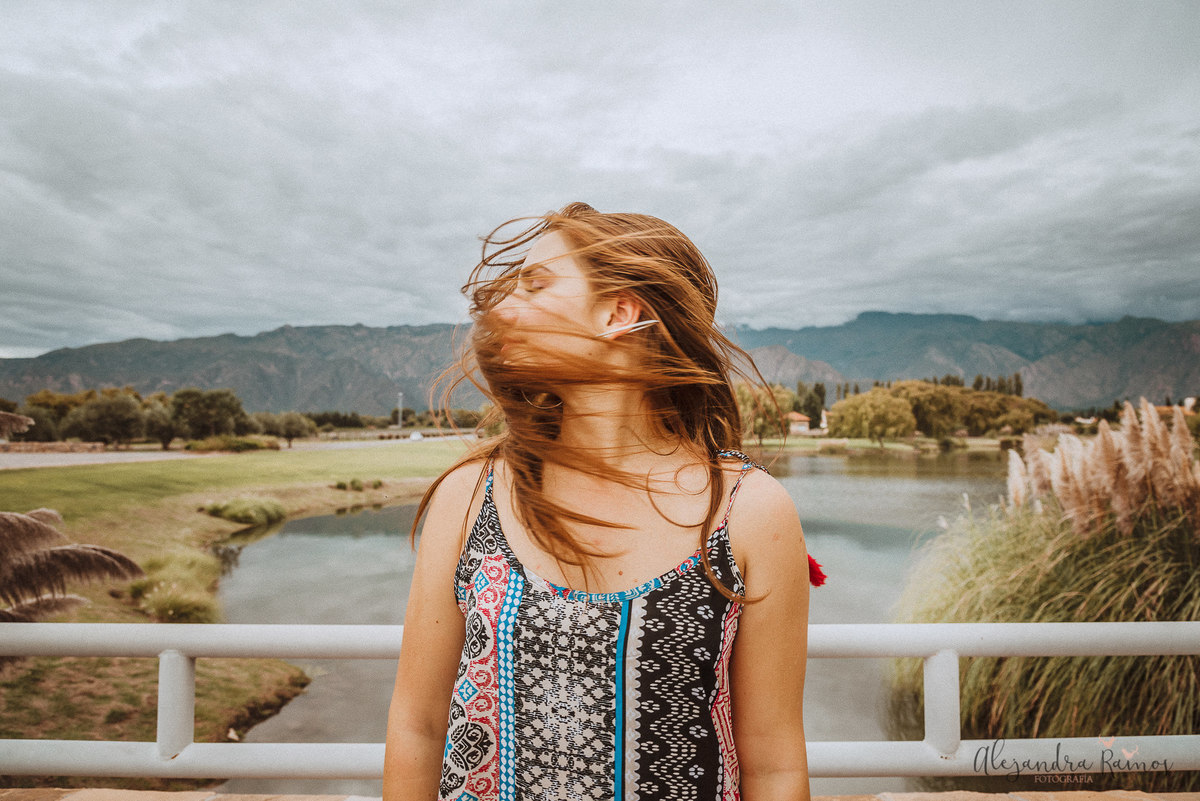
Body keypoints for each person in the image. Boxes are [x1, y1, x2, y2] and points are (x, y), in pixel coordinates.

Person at [384, 202, 823, 801]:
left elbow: (773, 764)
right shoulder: (471, 494)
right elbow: (418, 726)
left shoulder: (750, 512)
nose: (502, 310)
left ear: (619, 313)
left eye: (535, 284)